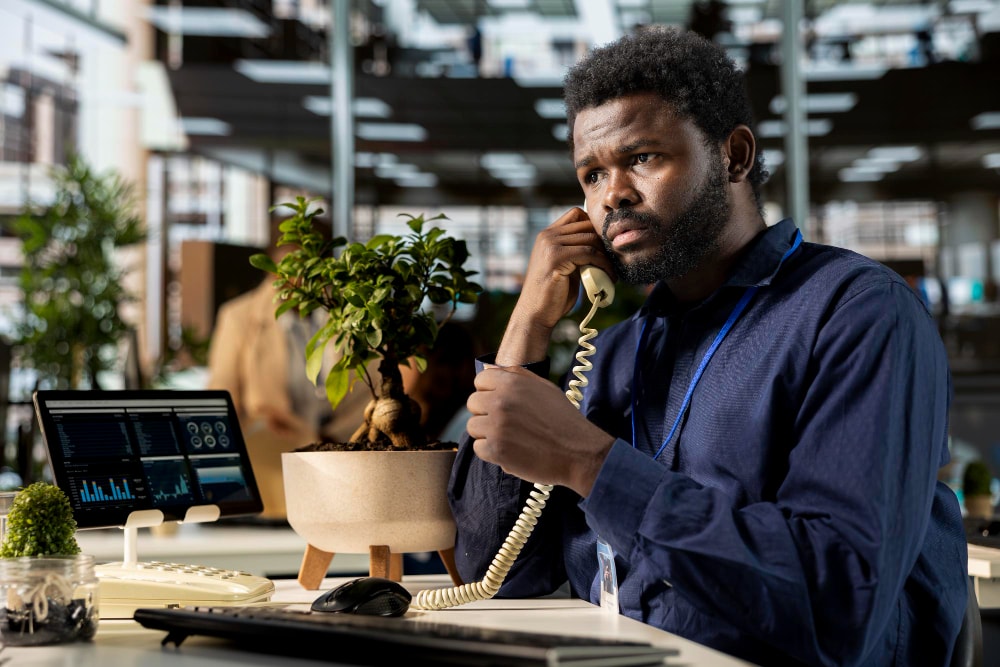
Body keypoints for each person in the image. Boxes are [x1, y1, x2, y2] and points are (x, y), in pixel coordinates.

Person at [448, 27, 968, 667]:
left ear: (735, 157)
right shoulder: (613, 357)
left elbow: (841, 601)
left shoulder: (858, 314)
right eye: (592, 174)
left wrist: (591, 463)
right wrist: (527, 324)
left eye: (642, 158)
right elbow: (493, 572)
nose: (612, 195)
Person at [206, 243, 373, 519]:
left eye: (307, 270)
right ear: (272, 269)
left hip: (339, 458)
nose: (297, 281)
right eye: (288, 270)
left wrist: (330, 438)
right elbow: (221, 400)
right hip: (269, 460)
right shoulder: (238, 317)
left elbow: (368, 389)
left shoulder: (352, 315)